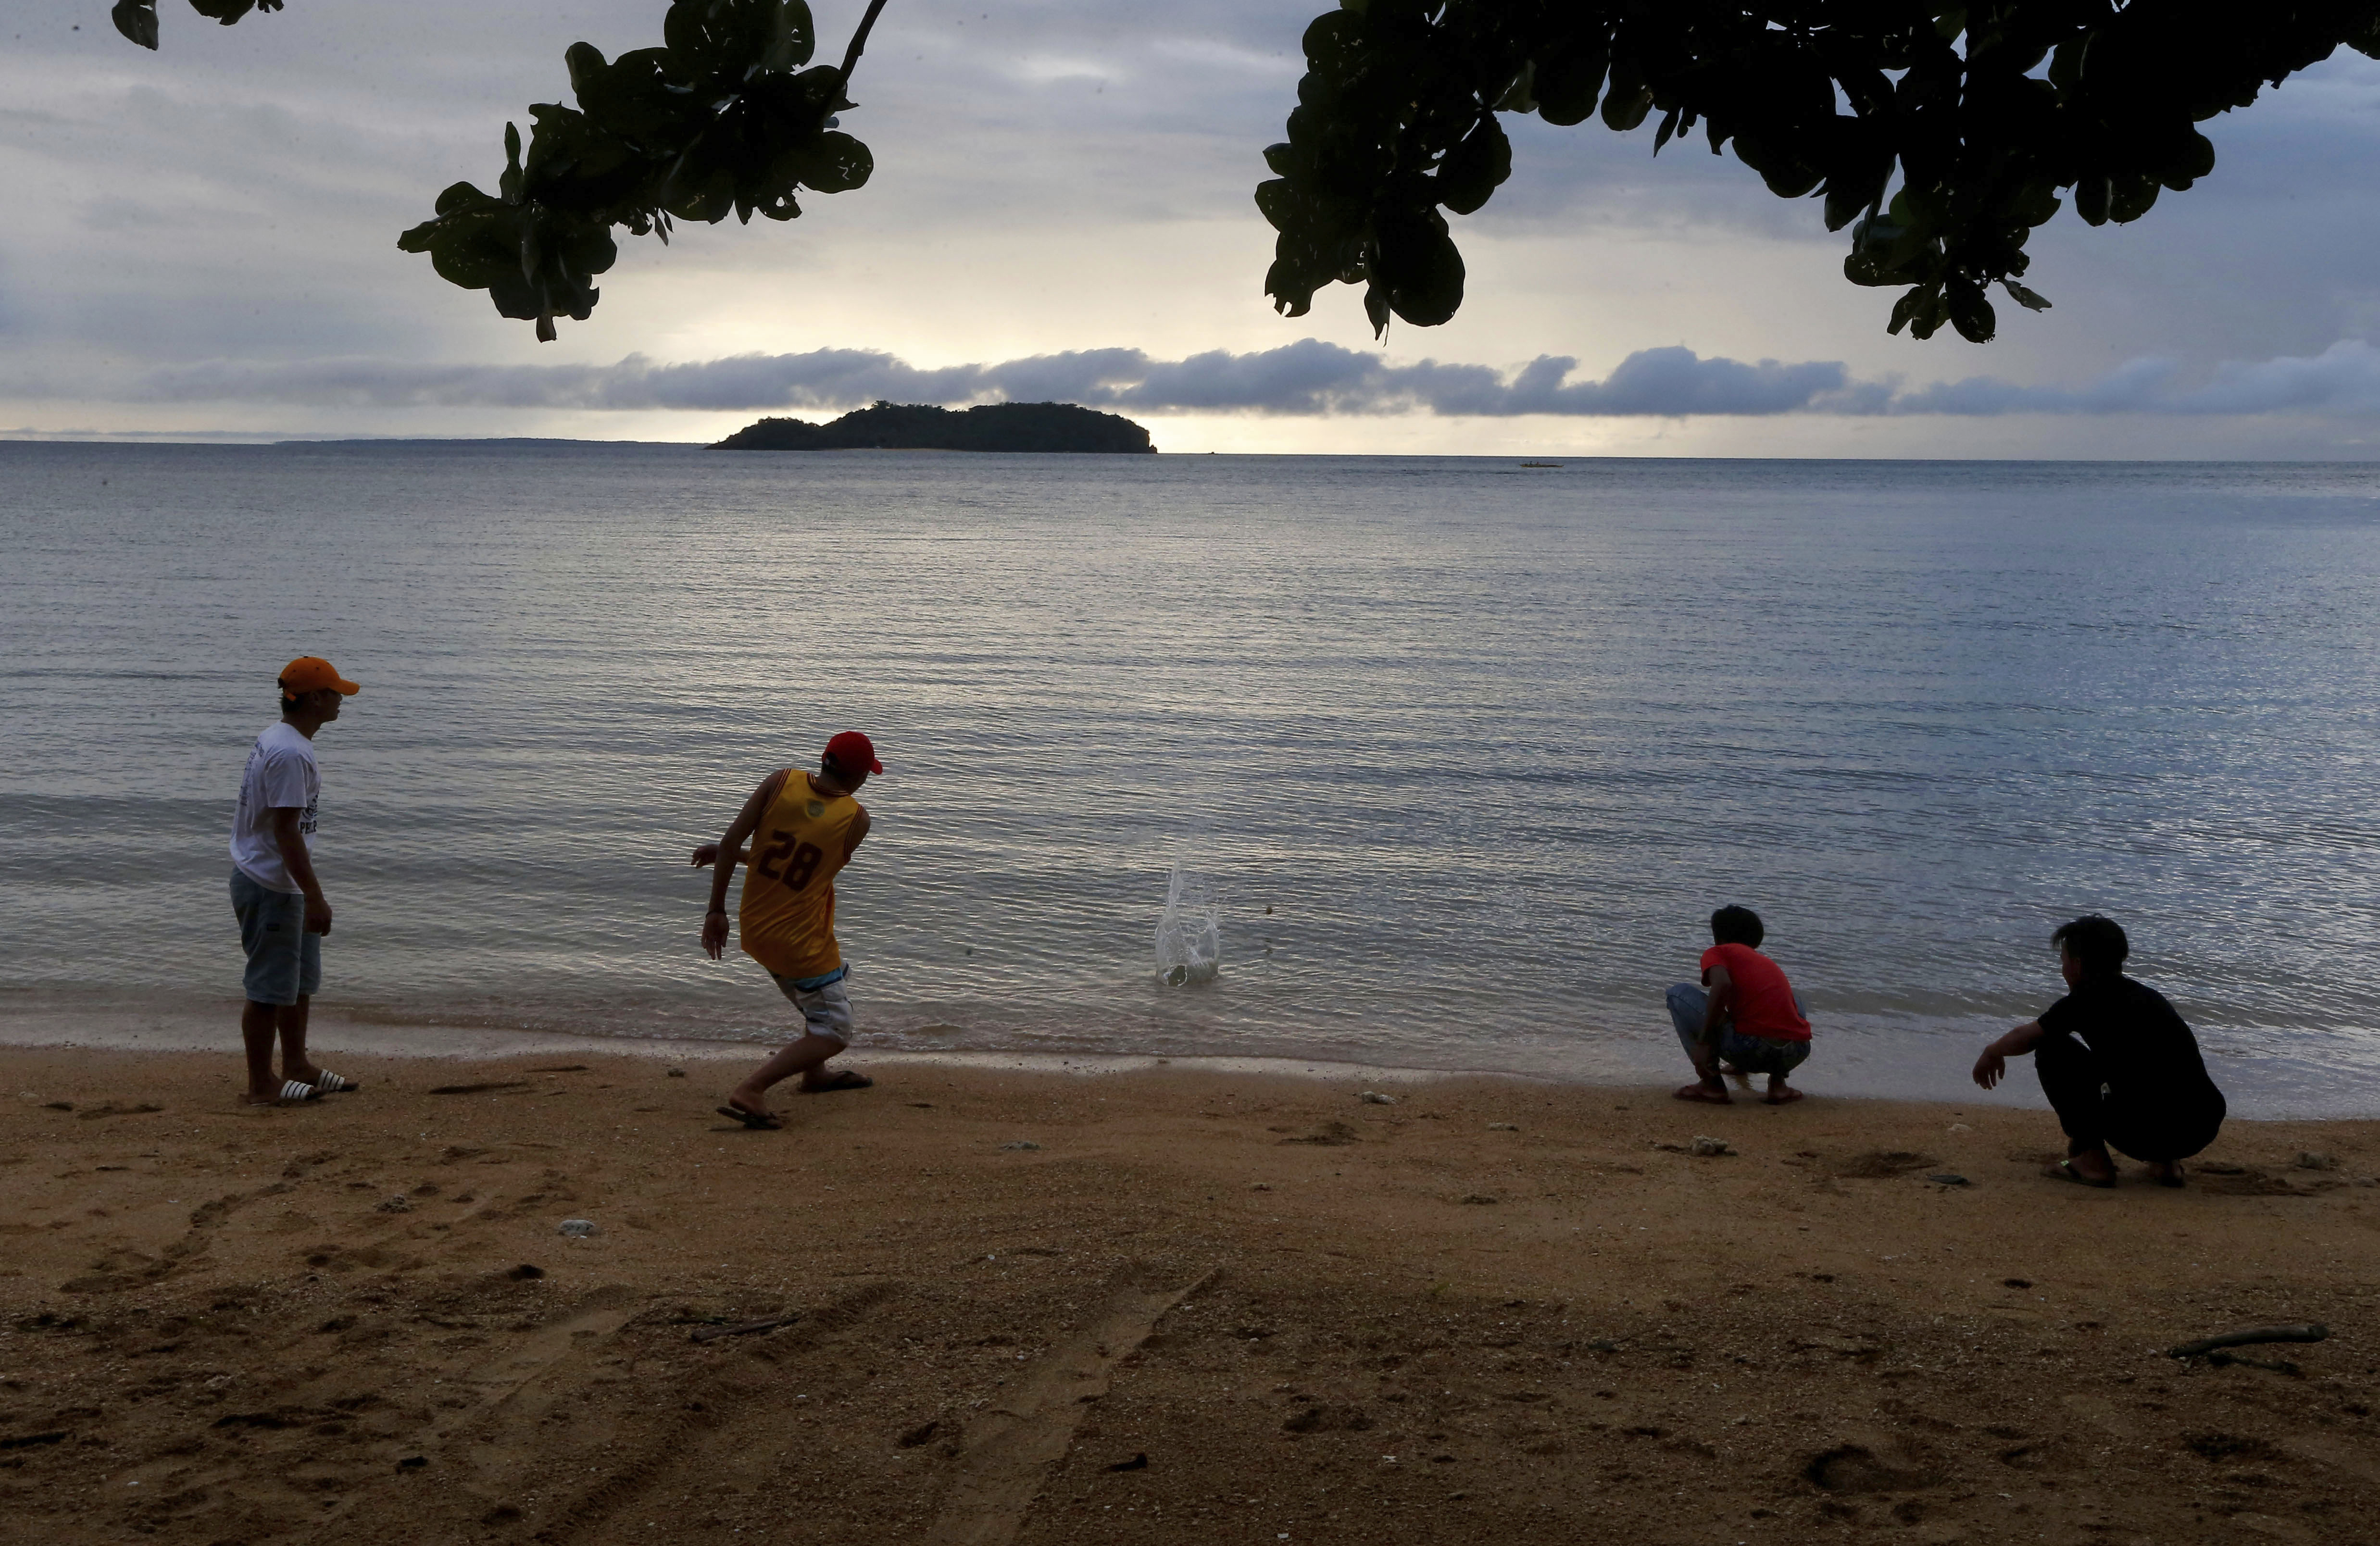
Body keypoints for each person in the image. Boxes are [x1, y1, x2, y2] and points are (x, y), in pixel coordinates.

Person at [694, 731, 883, 1128]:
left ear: (824, 759)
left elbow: (737, 845)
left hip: (758, 928)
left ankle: (814, 1074)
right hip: (800, 940)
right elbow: (809, 869)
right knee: (835, 1030)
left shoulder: (781, 781)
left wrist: (716, 911)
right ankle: (753, 1089)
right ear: (860, 778)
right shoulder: (856, 821)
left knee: (822, 997)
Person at [1973, 914, 2225, 1188]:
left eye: (2063, 962)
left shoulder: (2085, 999)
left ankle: (2093, 1162)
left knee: (2051, 1048)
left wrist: (1993, 1051)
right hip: (2201, 1125)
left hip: (2148, 1132)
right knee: (2149, 1069)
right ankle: (2166, 1165)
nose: (2063, 969)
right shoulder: (2150, 998)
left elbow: (2027, 1037)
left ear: (2078, 965)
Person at [228, 657, 364, 1107]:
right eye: (336, 693)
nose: (342, 701)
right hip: (271, 885)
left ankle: (297, 1065)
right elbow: (286, 831)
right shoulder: (289, 752)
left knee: (299, 982)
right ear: (314, 698)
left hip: (283, 882)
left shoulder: (283, 738)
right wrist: (316, 897)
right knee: (269, 988)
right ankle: (261, 1084)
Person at [1667, 905, 1812, 1106]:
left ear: (1719, 938)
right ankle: (1778, 1085)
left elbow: (1723, 985)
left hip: (1750, 1050)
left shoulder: (1718, 952)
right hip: (1797, 1051)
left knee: (1677, 994)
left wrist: (1703, 1043)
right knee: (1790, 998)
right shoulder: (1764, 963)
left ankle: (1712, 1084)